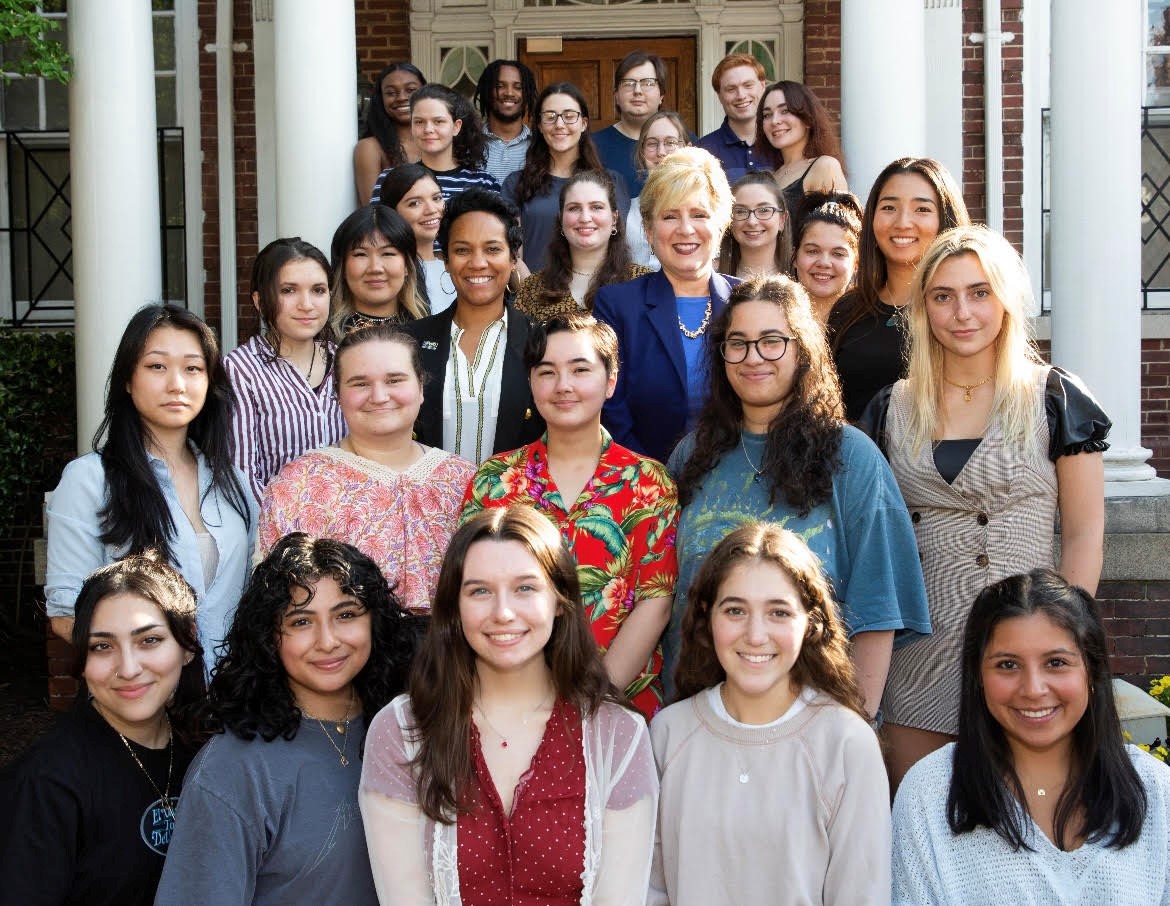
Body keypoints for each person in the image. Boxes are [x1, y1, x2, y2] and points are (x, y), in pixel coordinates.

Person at [858, 225, 1110, 789]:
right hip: (920, 657)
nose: (962, 312)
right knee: (920, 820)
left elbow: (1084, 537)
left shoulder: (1054, 398)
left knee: (1027, 819)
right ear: (923, 308)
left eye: (979, 292)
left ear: (1006, 300)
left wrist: (1065, 647)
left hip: (1028, 657)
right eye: (942, 296)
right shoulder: (890, 409)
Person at [359, 506, 658, 904]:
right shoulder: (402, 731)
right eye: (480, 591)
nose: (502, 613)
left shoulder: (615, 734)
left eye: (525, 588)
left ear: (559, 600)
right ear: (454, 608)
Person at [667, 275, 931, 712]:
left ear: (802, 349)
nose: (753, 358)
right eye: (738, 342)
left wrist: (852, 728)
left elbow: (878, 612)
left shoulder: (851, 458)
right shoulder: (691, 456)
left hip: (814, 723)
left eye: (772, 341)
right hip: (697, 719)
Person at [155, 534, 416, 906]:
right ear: (268, 637)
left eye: (346, 614)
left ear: (375, 622)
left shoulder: (407, 730)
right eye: (301, 621)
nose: (327, 641)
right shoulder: (232, 770)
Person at [891, 570, 1170, 903]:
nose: (1033, 689)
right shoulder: (931, 794)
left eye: (1056, 662)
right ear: (978, 675)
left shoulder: (1155, 791)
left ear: (1092, 671)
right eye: (1008, 665)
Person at [648, 524, 891, 906]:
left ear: (810, 622)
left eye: (778, 612)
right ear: (706, 617)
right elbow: (650, 890)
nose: (756, 635)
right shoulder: (667, 733)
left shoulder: (847, 743)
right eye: (735, 610)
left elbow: (862, 895)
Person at [462, 313, 678, 718]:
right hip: (507, 705)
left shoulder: (648, 482)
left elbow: (656, 601)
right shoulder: (494, 481)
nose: (563, 386)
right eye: (547, 372)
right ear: (530, 382)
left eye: (580, 370)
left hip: (619, 706)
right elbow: (470, 588)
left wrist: (592, 699)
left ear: (610, 381)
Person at [46, 305, 255, 673]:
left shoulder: (233, 482)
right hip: (143, 698)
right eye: (157, 366)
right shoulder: (89, 480)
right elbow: (67, 616)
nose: (177, 383)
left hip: (233, 706)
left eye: (193, 368)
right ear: (127, 379)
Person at [0, 555, 206, 906]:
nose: (127, 668)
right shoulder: (46, 783)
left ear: (187, 645)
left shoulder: (204, 748)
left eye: (149, 640)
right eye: (102, 646)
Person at [258, 324, 476, 614]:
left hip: (454, 655)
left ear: (421, 387)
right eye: (360, 383)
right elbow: (274, 604)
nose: (379, 396)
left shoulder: (465, 480)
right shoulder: (299, 484)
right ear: (337, 394)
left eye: (395, 380)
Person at [593, 146, 736, 464]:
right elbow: (609, 408)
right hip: (641, 488)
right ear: (648, 229)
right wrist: (654, 479)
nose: (686, 229)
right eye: (670, 216)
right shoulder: (617, 306)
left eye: (699, 215)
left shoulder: (748, 301)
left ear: (721, 224)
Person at [404, 189, 545, 463]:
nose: (478, 263)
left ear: (513, 258)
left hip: (512, 503)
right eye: (462, 250)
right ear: (445, 260)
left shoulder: (541, 342)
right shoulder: (409, 342)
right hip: (426, 503)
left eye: (492, 249)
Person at [829, 156, 971, 420]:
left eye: (922, 209)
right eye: (889, 208)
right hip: (855, 459)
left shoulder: (966, 312)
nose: (903, 222)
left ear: (946, 219)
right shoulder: (848, 310)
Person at [225, 238, 347, 500]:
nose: (306, 304)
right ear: (259, 301)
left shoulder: (346, 362)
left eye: (318, 290)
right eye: (288, 290)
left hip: (352, 523)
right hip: (278, 531)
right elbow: (242, 474)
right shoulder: (240, 369)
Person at [503, 82, 630, 274]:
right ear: (539, 124)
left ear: (584, 124)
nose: (559, 124)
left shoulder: (610, 182)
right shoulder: (517, 183)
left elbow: (616, 246)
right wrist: (530, 293)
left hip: (598, 295)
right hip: (533, 297)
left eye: (569, 116)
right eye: (550, 117)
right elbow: (512, 253)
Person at [515, 171, 651, 321]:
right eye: (574, 208)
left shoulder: (645, 283)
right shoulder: (532, 289)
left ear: (614, 218)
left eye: (596, 207)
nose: (585, 218)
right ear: (561, 219)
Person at [370, 84, 501, 205]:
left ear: (456, 127)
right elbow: (378, 228)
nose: (428, 129)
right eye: (419, 122)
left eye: (438, 121)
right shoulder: (390, 179)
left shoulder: (485, 183)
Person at [328, 204, 428, 334]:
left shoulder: (430, 334)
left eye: (388, 253)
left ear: (407, 266)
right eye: (361, 254)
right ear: (343, 268)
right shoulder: (323, 341)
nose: (375, 268)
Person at [374, 163, 456, 314]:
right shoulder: (386, 272)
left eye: (436, 198)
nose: (431, 210)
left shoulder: (455, 266)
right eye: (415, 203)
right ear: (392, 212)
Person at [756, 80, 847, 214]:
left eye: (785, 111)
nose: (775, 121)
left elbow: (840, 230)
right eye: (767, 115)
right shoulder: (771, 176)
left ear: (808, 119)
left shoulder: (825, 166)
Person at [593, 51, 667, 197]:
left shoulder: (682, 142)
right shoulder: (593, 146)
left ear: (661, 96)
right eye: (629, 84)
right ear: (616, 96)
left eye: (647, 83)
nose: (637, 91)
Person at [354, 62, 426, 204]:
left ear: (426, 92)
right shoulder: (370, 148)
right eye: (391, 93)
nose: (401, 97)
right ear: (381, 99)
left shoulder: (439, 140)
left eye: (410, 90)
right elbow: (373, 210)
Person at [627, 111, 690, 269]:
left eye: (670, 143)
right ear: (642, 152)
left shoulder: (705, 210)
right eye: (652, 143)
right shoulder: (627, 212)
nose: (661, 152)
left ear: (687, 149)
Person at [791, 190, 863, 325]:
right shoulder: (775, 320)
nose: (824, 263)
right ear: (794, 256)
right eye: (813, 251)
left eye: (838, 254)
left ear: (856, 263)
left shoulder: (867, 326)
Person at [696, 52, 769, 183]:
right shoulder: (703, 151)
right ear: (719, 95)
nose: (741, 95)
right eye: (731, 89)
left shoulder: (780, 144)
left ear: (762, 86)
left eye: (748, 85)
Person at [474, 58, 537, 185]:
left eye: (518, 87)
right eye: (499, 86)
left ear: (527, 93)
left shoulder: (539, 145)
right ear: (487, 91)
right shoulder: (469, 144)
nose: (509, 93)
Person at [719, 171, 793, 278]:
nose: (752, 222)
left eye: (763, 210)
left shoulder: (802, 277)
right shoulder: (711, 279)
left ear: (782, 219)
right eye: (740, 211)